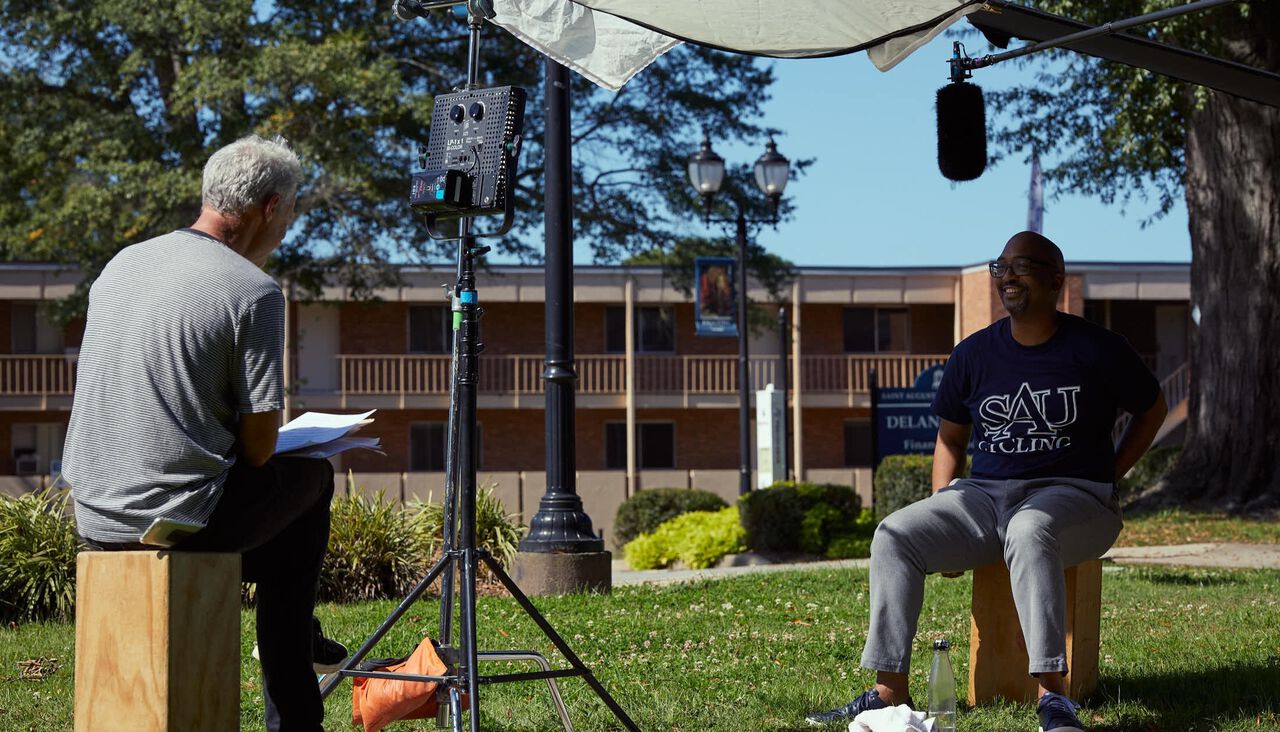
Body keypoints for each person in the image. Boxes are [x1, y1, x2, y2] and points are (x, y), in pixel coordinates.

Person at [805, 232, 1168, 731]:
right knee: (894, 535)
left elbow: (1153, 410)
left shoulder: (1098, 348)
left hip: (1076, 497)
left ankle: (1053, 698)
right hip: (985, 497)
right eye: (1001, 267)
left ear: (1056, 279)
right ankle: (888, 694)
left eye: (1023, 266)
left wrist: (1109, 474)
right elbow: (950, 440)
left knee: (1030, 529)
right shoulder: (973, 355)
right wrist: (942, 515)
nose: (1008, 276)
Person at [64, 135, 344, 731]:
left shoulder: (121, 265)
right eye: (290, 213)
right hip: (179, 521)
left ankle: (297, 639)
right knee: (314, 479)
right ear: (270, 208)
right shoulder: (255, 292)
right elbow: (260, 447)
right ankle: (295, 701)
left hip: (94, 514)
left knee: (278, 531)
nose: (287, 228)